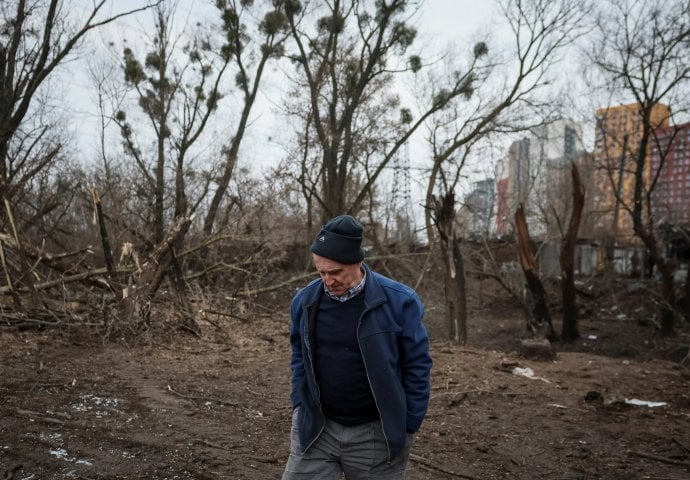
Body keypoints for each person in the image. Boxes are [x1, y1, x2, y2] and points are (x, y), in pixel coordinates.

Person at [282, 214, 432, 480]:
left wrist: (408, 423)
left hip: (376, 433)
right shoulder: (305, 301)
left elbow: (417, 365)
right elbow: (298, 354)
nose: (328, 280)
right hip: (317, 427)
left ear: (358, 262)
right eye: (321, 271)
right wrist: (299, 403)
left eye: (336, 272)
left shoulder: (399, 302)